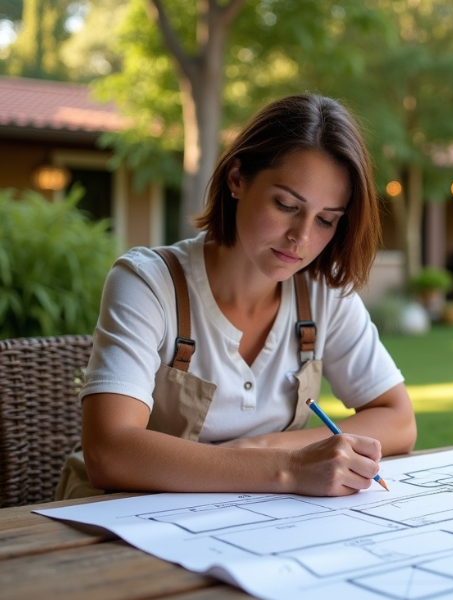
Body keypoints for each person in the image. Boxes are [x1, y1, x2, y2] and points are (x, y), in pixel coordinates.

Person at [57, 94, 416, 500]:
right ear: (236, 179)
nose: (301, 237)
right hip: (114, 523)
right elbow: (110, 451)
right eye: (286, 204)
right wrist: (288, 469)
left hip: (240, 523)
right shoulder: (149, 282)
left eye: (326, 220)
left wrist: (264, 447)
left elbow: (399, 421)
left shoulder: (322, 294)